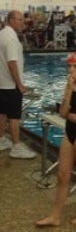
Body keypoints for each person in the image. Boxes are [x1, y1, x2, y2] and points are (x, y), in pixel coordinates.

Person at [35, 51, 76, 227]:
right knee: (63, 176)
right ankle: (55, 216)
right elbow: (63, 114)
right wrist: (69, 90)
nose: (71, 70)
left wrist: (65, 112)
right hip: (69, 134)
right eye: (69, 66)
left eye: (75, 66)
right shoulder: (68, 85)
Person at [0, 10, 37, 159]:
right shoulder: (11, 39)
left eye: (23, 20)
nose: (23, 23)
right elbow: (12, 63)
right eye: (20, 20)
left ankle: (1, 139)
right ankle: (16, 146)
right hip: (10, 85)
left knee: (1, 113)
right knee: (14, 116)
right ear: (11, 20)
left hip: (1, 83)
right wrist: (19, 84)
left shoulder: (1, 34)